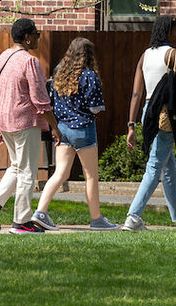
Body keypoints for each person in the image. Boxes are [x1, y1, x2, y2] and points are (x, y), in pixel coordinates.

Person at [0, 18, 61, 234]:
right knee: (27, 171)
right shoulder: (29, 61)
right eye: (36, 34)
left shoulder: (2, 58)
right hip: (24, 121)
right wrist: (55, 127)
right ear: (27, 38)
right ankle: (21, 221)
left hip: (5, 121)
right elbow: (40, 99)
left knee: (16, 166)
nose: (38, 38)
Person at [122, 16, 176, 231]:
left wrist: (131, 125)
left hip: (149, 112)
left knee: (168, 169)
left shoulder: (145, 55)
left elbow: (137, 93)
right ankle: (133, 217)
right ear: (168, 32)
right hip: (168, 113)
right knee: (156, 165)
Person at [32, 37, 119, 231]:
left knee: (60, 173)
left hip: (63, 130)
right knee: (91, 177)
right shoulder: (89, 75)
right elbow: (95, 107)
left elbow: (53, 102)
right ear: (88, 55)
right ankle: (96, 219)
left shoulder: (59, 76)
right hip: (83, 130)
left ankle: (40, 212)